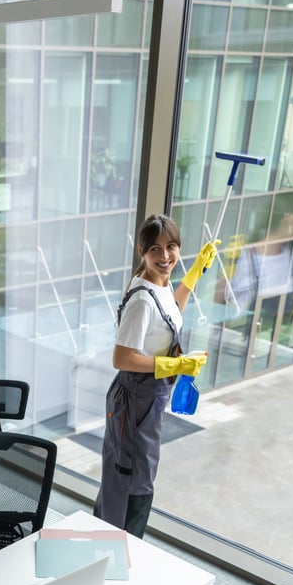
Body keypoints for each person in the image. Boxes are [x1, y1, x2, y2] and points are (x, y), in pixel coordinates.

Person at [93, 214, 217, 538]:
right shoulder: (141, 302)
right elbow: (121, 357)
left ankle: (113, 549)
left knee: (134, 476)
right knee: (131, 481)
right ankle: (117, 554)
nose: (164, 257)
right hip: (134, 400)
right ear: (141, 251)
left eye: (171, 247)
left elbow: (171, 310)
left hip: (146, 400)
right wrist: (173, 365)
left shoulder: (159, 287)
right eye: (155, 250)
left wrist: (192, 276)